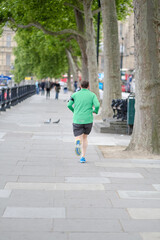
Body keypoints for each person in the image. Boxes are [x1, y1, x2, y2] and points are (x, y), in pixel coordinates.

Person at [67, 80, 100, 163]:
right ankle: (83, 157)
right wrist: (95, 111)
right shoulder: (92, 95)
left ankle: (78, 142)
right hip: (88, 119)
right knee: (85, 137)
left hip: (77, 119)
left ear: (80, 86)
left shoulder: (74, 94)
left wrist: (74, 111)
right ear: (88, 86)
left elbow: (69, 105)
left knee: (78, 137)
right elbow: (97, 105)